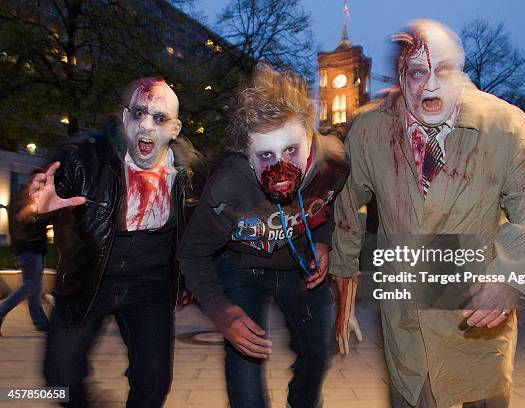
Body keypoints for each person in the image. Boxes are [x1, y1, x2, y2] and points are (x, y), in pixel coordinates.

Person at [330, 20, 525, 408]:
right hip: (407, 313)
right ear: (401, 75)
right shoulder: (371, 132)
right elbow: (348, 203)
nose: (432, 86)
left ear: (460, 71)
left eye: (443, 70)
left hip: (475, 309)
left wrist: (511, 277)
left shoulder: (504, 127)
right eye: (418, 72)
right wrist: (344, 280)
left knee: (481, 392)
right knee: (410, 391)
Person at [18, 77, 204, 407]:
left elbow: (200, 230)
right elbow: (27, 214)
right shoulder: (81, 158)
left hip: (151, 281)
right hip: (89, 275)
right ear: (123, 118)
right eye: (138, 113)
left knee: (153, 381)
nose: (146, 125)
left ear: (174, 129)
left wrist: (191, 280)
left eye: (159, 118)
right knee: (59, 376)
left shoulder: (188, 169)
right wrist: (32, 211)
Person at [179, 66, 349, 408]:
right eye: (265, 155)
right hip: (241, 265)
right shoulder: (227, 186)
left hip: (300, 265)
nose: (280, 166)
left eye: (291, 150)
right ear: (247, 152)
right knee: (244, 361)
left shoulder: (333, 161)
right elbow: (192, 254)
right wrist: (222, 312)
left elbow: (336, 201)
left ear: (310, 137)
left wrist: (323, 240)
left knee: (320, 350)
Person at [0, 170, 50, 336]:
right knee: (32, 286)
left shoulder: (28, 197)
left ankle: (41, 322)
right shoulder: (24, 199)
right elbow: (24, 221)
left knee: (34, 288)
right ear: (31, 181)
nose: (42, 184)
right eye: (39, 181)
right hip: (29, 248)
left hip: (33, 248)